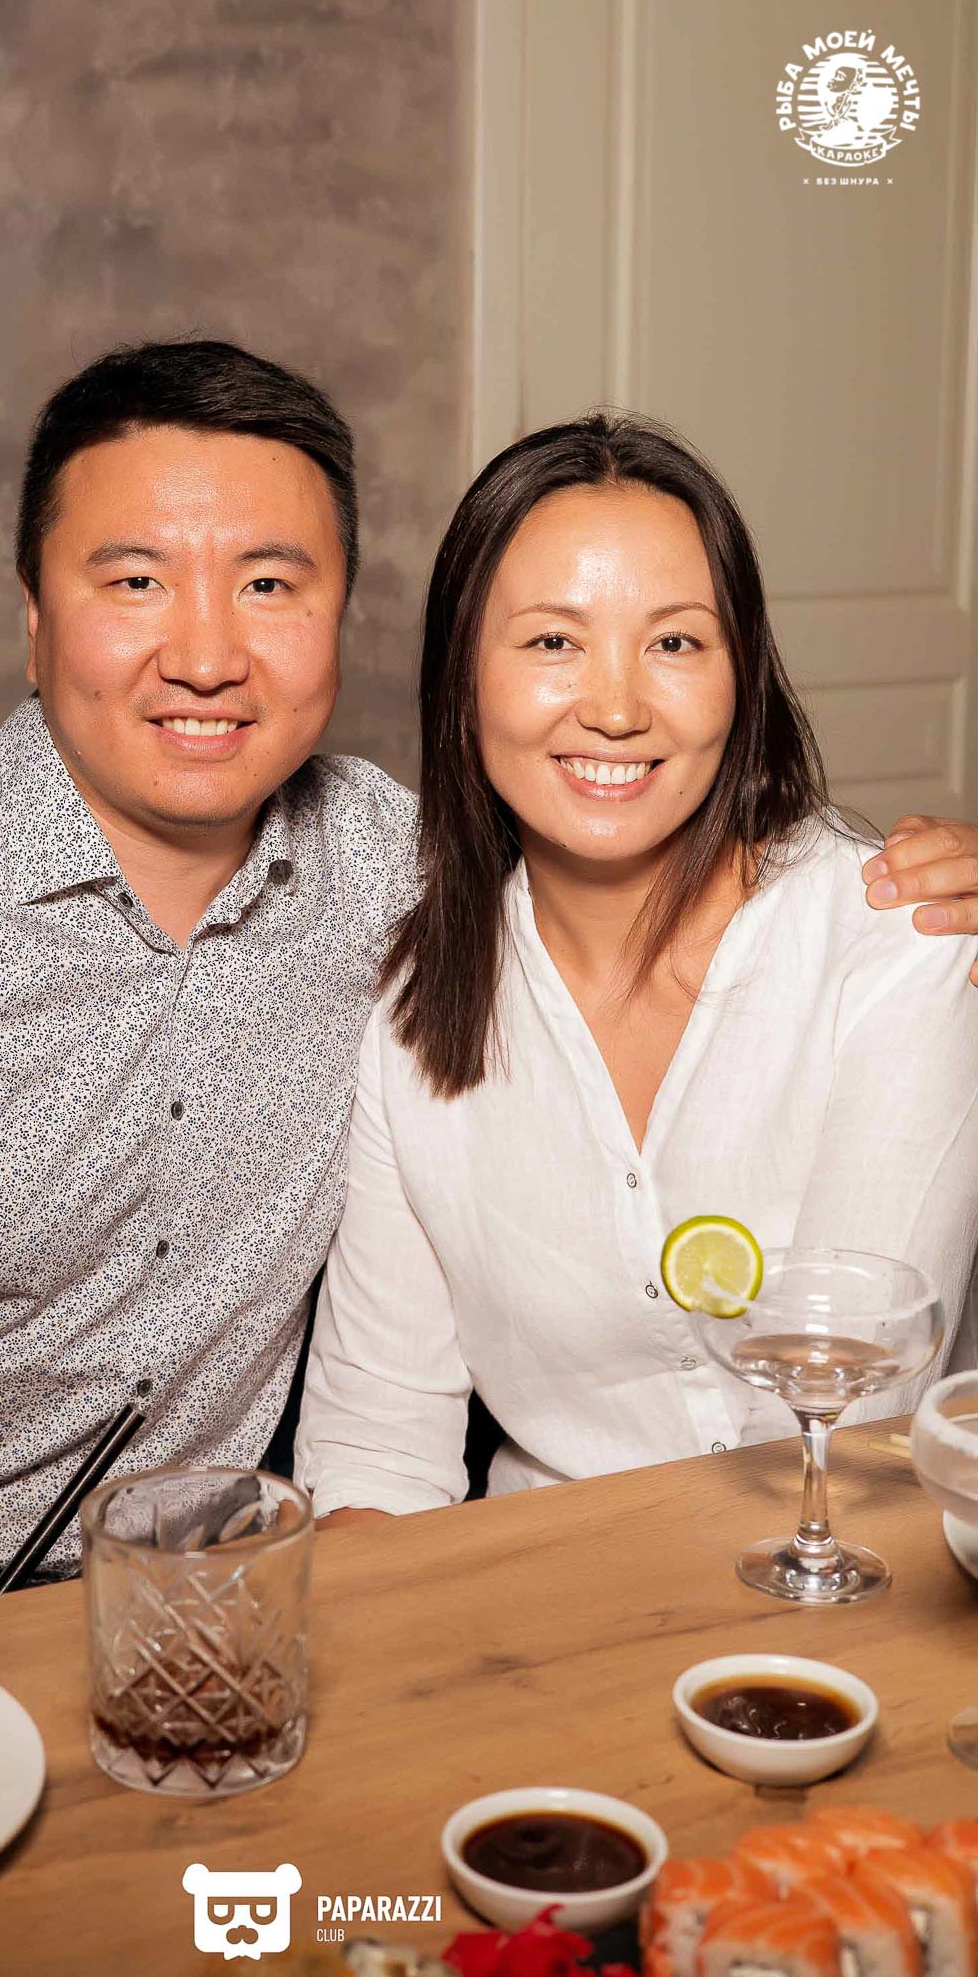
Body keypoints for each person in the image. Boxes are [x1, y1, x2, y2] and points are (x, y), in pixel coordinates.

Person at [0, 352, 975, 1629]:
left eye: (269, 583)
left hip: (221, 1581)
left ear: (344, 617)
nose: (205, 654)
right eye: (136, 580)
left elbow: (663, 849)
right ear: (34, 617)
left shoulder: (397, 883)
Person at [296, 414, 978, 1524]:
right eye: (550, 642)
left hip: (829, 1574)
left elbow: (843, 1419)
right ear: (462, 678)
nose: (614, 710)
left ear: (741, 677)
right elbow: (378, 1434)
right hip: (533, 1590)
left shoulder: (895, 940)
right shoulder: (412, 1017)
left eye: (674, 644)